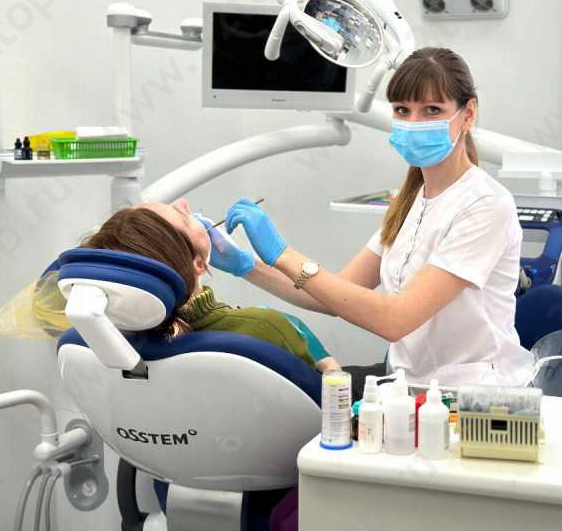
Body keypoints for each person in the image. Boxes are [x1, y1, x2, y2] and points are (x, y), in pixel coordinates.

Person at [208, 47, 534, 390]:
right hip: (408, 384)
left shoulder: (486, 205)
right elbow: (332, 295)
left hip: (474, 395)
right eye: (402, 110)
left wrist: (283, 254)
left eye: (432, 110)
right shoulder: (411, 199)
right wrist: (246, 265)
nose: (413, 123)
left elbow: (395, 320)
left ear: (468, 114)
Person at [46, 199, 340, 373]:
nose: (184, 203)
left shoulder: (97, 342)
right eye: (183, 218)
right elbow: (328, 404)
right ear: (198, 263)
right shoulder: (266, 328)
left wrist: (249, 267)